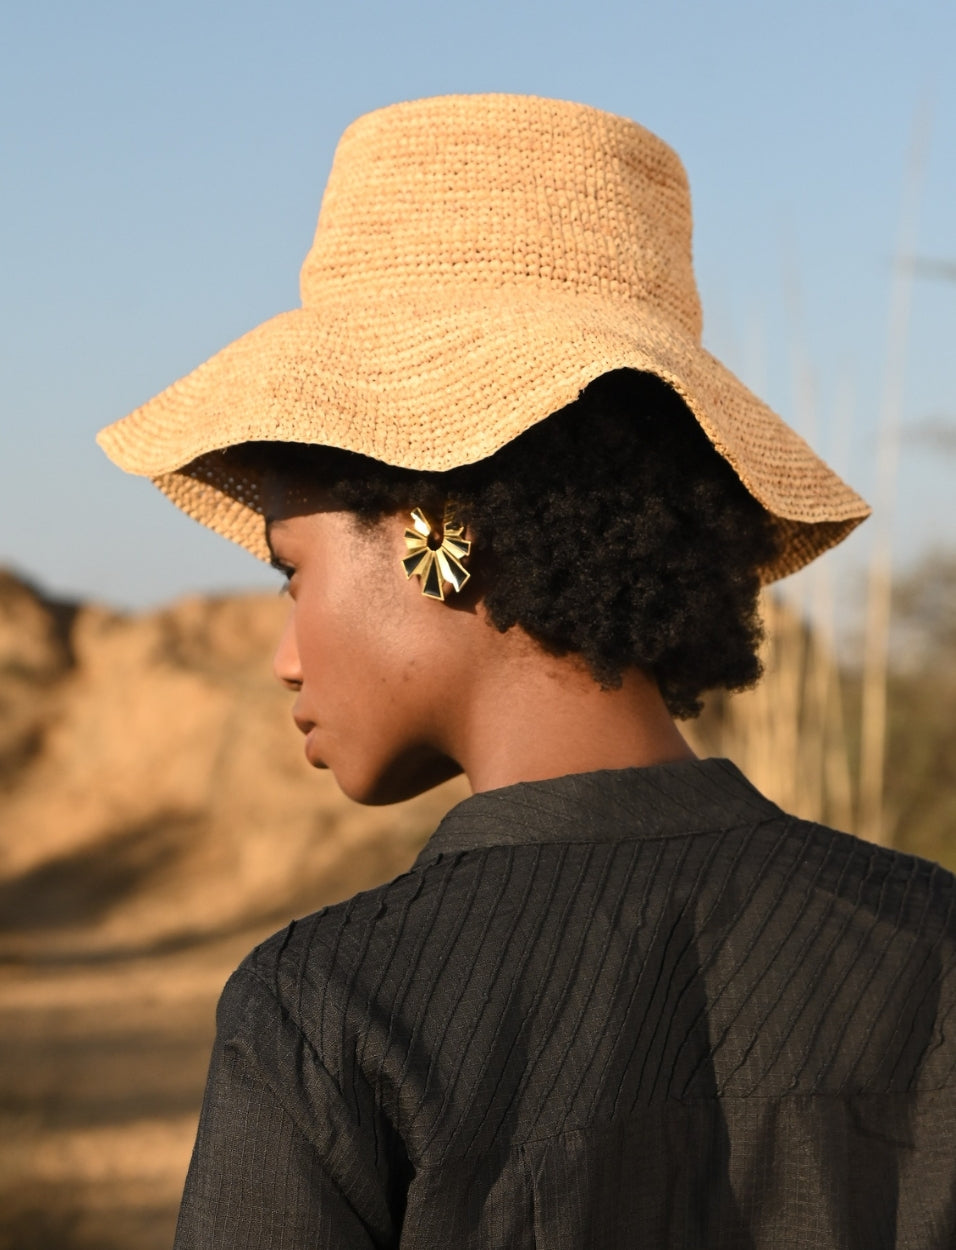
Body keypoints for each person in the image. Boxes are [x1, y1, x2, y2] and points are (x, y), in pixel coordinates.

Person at [97, 95, 956, 1249]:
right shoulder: (927, 947)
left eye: (289, 571)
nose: (283, 653)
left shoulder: (327, 1009)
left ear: (432, 535)